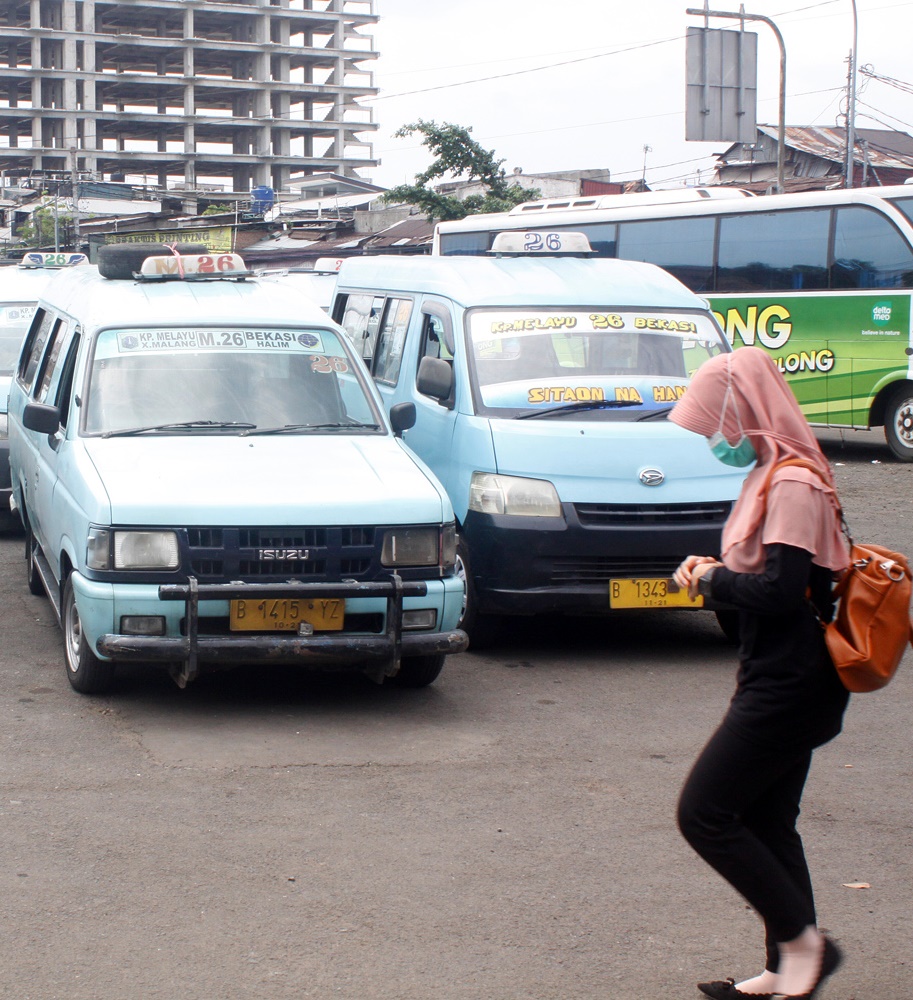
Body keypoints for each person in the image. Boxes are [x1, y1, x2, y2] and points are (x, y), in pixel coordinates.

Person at [669, 347, 850, 1000]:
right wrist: (713, 573)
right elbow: (768, 577)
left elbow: (781, 592)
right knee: (769, 819)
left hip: (792, 679)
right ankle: (784, 968)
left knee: (704, 812)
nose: (715, 440)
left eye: (717, 424)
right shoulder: (769, 474)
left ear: (744, 412)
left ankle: (806, 945)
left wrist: (715, 580)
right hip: (774, 671)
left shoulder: (794, 481)